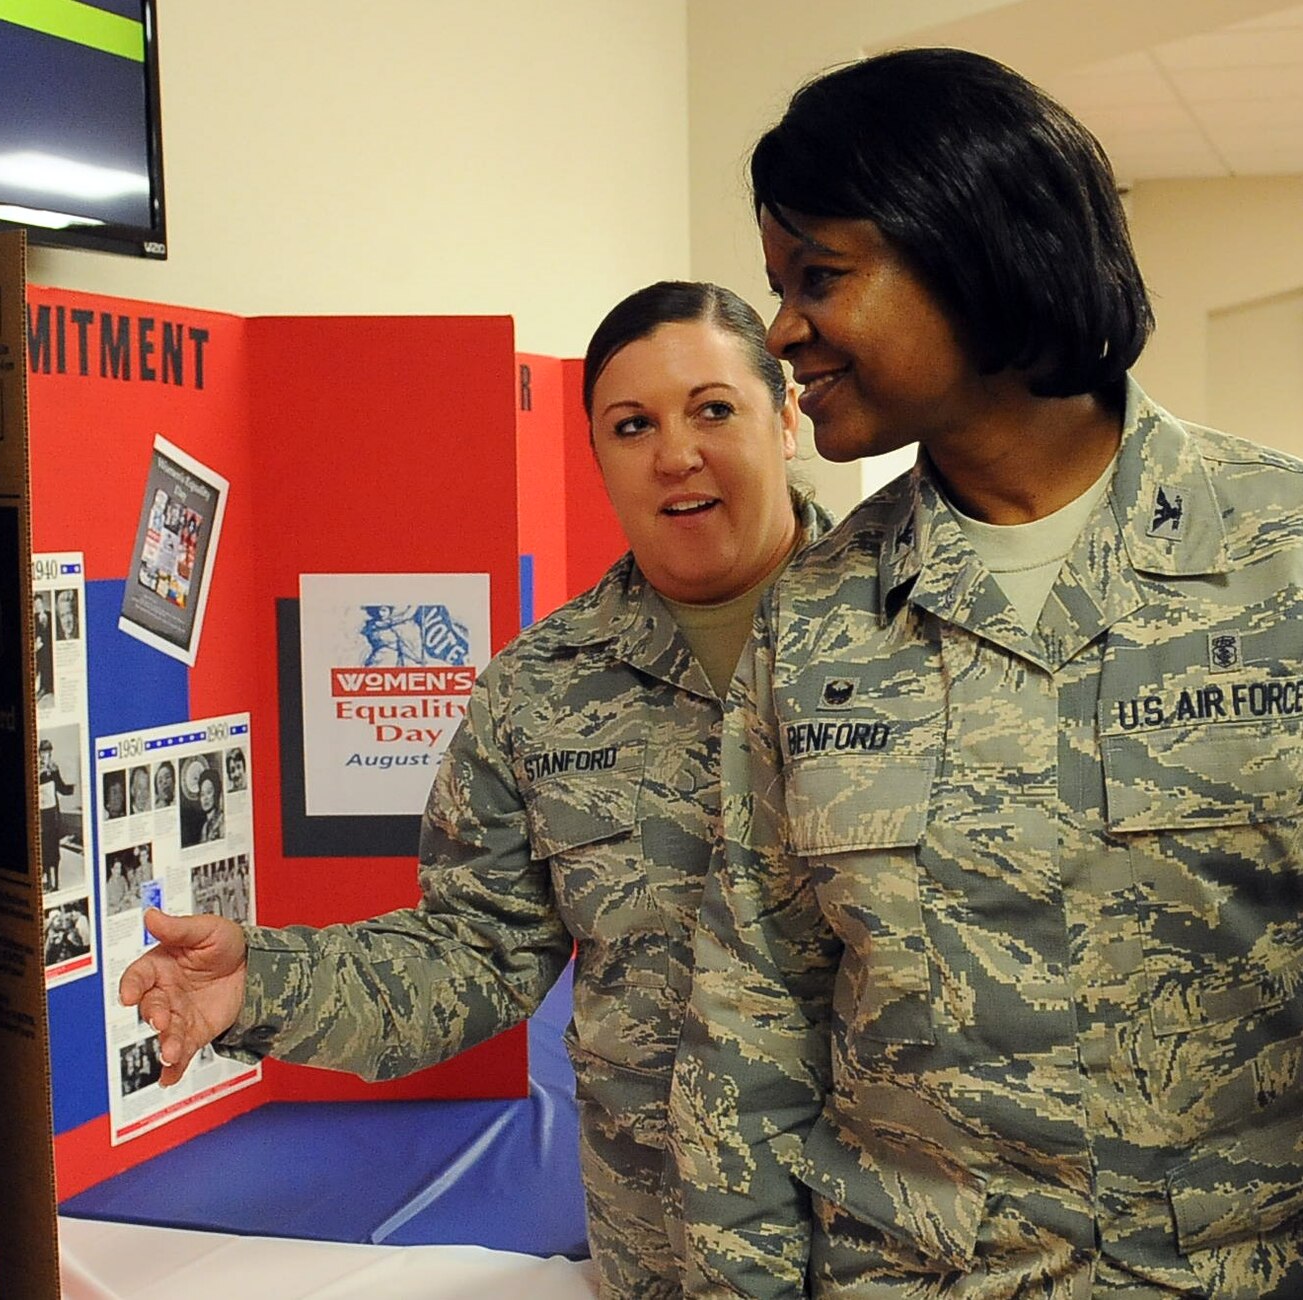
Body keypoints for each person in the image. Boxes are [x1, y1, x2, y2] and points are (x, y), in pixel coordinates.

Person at [670, 48, 1303, 1300]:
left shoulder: (1278, 564)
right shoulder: (814, 623)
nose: (782, 330)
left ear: (973, 249)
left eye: (819, 278)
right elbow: (749, 1020)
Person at [118, 281, 833, 1300]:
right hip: (669, 1261)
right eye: (631, 426)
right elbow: (473, 955)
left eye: (711, 408)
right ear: (595, 457)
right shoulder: (538, 691)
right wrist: (259, 985)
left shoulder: (919, 639)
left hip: (898, 1254)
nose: (674, 453)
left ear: (786, 417)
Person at [37, 739, 75, 892]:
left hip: (53, 816)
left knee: (54, 847)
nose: (46, 755)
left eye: (49, 752)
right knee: (43, 847)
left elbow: (61, 788)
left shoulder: (54, 769)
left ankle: (56, 881)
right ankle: (46, 877)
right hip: (41, 816)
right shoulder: (35, 770)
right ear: (39, 753)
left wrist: (73, 787)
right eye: (44, 752)